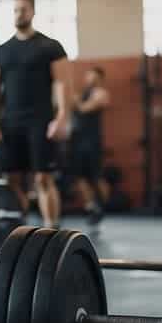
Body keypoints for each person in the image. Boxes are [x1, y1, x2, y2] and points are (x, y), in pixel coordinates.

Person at [0, 0, 70, 228]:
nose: (19, 14)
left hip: (40, 119)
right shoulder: (2, 50)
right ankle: (22, 229)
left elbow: (61, 83)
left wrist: (61, 117)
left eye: (24, 10)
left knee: (43, 177)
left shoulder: (50, 46)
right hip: (10, 122)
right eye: (16, 10)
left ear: (33, 12)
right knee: (12, 178)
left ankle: (51, 229)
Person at [69, 66, 110, 226]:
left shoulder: (101, 94)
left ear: (99, 78)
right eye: (88, 75)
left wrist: (74, 99)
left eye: (92, 76)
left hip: (92, 141)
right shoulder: (83, 94)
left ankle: (103, 206)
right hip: (78, 140)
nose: (89, 78)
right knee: (79, 177)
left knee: (96, 176)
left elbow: (84, 108)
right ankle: (92, 206)